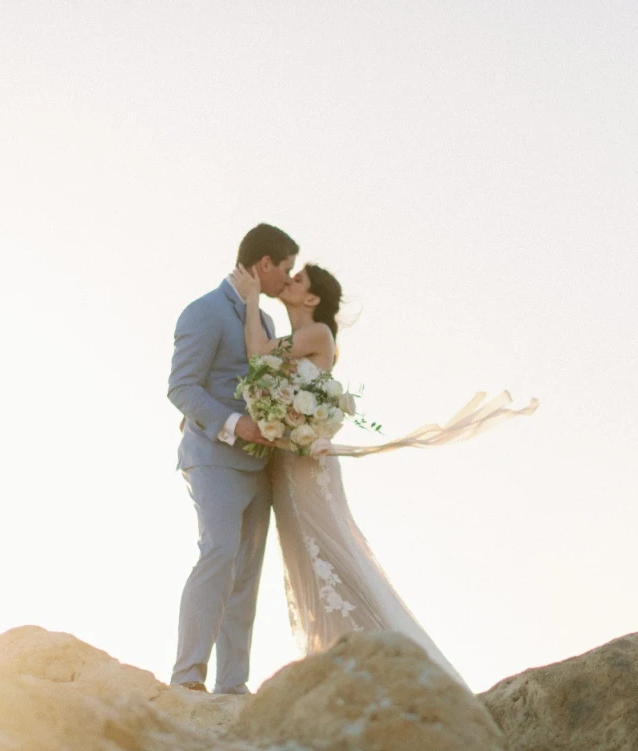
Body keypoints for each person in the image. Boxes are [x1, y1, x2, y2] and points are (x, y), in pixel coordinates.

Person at [228, 262, 469, 686]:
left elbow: (257, 353)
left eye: (298, 279)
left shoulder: (319, 334)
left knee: (329, 549)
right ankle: (336, 659)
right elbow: (264, 361)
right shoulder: (295, 337)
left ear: (313, 299)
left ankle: (380, 659)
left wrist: (250, 300)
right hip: (288, 458)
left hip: (308, 465)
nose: (289, 281)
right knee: (304, 553)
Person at [167, 223, 297, 694]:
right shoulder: (203, 312)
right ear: (264, 264)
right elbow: (181, 387)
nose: (288, 279)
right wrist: (234, 424)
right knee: (218, 554)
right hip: (213, 457)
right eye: (285, 269)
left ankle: (232, 685)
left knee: (246, 576)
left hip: (260, 464)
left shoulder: (262, 322)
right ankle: (186, 678)